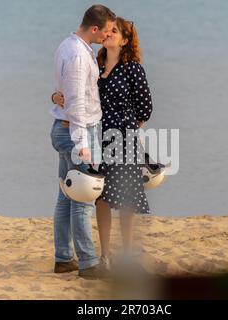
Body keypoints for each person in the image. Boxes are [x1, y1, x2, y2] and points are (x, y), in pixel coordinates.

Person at [52, 17, 153, 270]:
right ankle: (105, 256)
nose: (108, 34)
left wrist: (129, 128)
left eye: (114, 31)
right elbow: (76, 93)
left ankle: (127, 256)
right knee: (102, 198)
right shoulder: (95, 63)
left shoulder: (132, 69)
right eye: (108, 30)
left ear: (125, 40)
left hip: (124, 139)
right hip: (97, 136)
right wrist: (55, 96)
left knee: (127, 200)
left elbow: (146, 107)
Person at [49, 4, 116, 279]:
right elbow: (75, 104)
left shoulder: (68, 45)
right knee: (83, 199)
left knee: (66, 196)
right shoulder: (77, 54)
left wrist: (54, 97)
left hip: (67, 128)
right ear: (94, 28)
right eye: (108, 30)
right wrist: (82, 144)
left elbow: (63, 92)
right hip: (77, 132)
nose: (108, 35)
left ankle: (64, 258)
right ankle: (88, 263)